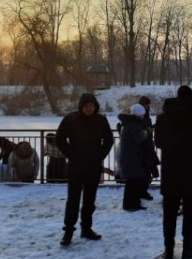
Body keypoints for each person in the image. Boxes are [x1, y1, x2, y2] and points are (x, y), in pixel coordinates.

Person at [155, 85, 192, 259]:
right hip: (190, 171)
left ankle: (169, 249)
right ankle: (188, 247)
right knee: (189, 212)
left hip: (170, 171)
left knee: (169, 212)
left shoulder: (162, 118)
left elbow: (158, 142)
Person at [56, 92, 114, 246]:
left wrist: (100, 155)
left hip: (93, 166)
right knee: (73, 201)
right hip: (76, 166)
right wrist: (71, 154)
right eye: (86, 106)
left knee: (90, 200)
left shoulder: (101, 120)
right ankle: (68, 231)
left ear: (95, 106)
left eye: (91, 106)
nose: (89, 108)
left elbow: (109, 139)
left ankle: (86, 229)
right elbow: (59, 139)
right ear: (81, 106)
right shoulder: (71, 119)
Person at [118, 104, 156, 211]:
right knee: (135, 181)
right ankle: (132, 204)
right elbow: (140, 138)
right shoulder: (134, 125)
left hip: (129, 157)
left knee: (131, 182)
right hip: (133, 158)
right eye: (142, 115)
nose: (143, 117)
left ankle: (129, 204)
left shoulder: (127, 124)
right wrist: (147, 132)